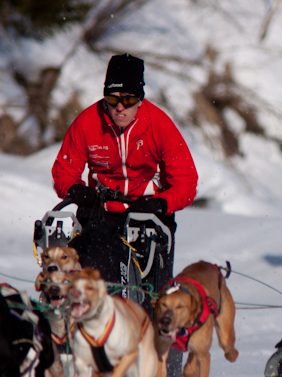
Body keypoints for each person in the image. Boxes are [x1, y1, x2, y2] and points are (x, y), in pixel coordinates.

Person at [52, 53, 198, 300]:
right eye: (112, 99)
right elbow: (63, 172)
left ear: (140, 100)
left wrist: (161, 203)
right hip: (101, 214)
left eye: (128, 100)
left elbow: (186, 183)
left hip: (148, 215)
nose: (120, 107)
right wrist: (75, 190)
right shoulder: (87, 123)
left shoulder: (160, 125)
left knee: (154, 299)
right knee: (92, 289)